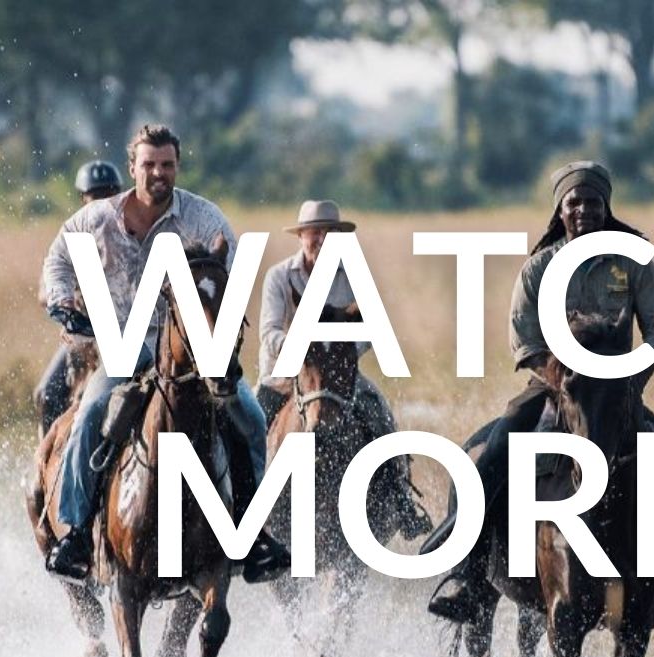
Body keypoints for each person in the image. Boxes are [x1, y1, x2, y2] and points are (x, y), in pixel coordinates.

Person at [427, 161, 654, 629]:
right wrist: (562, 383)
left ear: (606, 207)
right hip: (549, 390)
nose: (584, 210)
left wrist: (627, 381)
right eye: (574, 202)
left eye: (593, 202)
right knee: (490, 457)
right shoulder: (539, 268)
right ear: (560, 210)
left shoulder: (632, 262)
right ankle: (470, 580)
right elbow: (524, 341)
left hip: (617, 393)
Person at [40, 123, 288, 583]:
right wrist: (62, 299)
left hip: (191, 349)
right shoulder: (95, 220)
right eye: (149, 164)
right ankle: (76, 534)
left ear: (177, 167)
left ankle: (253, 537)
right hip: (124, 344)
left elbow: (228, 272)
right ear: (132, 166)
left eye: (167, 165)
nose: (158, 173)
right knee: (93, 410)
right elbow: (58, 262)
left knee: (250, 418)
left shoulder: (203, 218)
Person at [257, 200, 431, 539]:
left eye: (329, 233)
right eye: (314, 233)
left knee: (379, 413)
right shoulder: (278, 277)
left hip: (337, 377)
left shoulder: (354, 277)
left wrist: (337, 348)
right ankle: (241, 513)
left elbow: (372, 332)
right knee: (247, 425)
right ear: (301, 236)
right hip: (283, 377)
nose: (321, 239)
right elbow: (268, 335)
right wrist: (303, 342)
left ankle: (401, 500)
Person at [33, 160, 125, 437]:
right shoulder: (70, 237)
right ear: (83, 198)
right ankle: (45, 473)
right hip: (84, 335)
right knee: (47, 394)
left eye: (108, 193)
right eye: (95, 195)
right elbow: (44, 290)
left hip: (128, 335)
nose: (101, 200)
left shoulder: (133, 233)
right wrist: (66, 300)